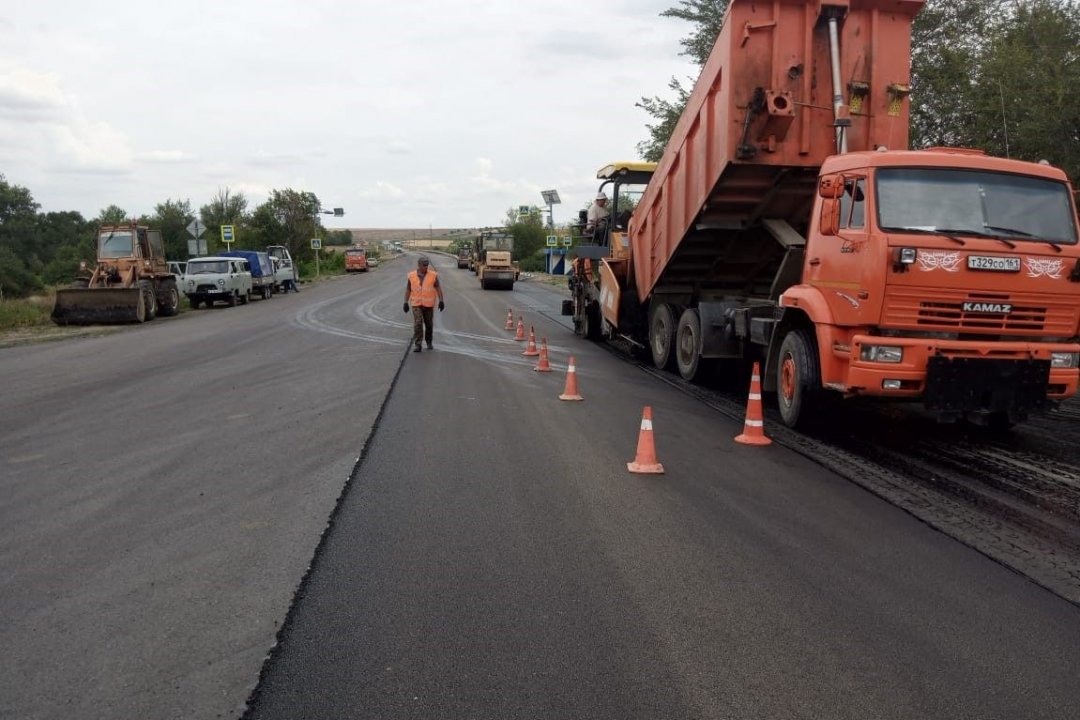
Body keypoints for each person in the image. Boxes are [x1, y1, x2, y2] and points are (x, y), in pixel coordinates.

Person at [402, 256, 445, 352]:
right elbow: (408, 289)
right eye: (424, 265)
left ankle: (429, 341)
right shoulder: (411, 276)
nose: (426, 267)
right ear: (419, 265)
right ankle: (418, 344)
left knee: (429, 324)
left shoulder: (433, 275)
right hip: (416, 304)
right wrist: (405, 302)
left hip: (428, 305)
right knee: (418, 323)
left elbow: (438, 288)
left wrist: (441, 300)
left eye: (427, 265)